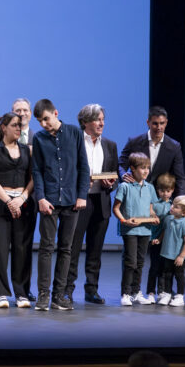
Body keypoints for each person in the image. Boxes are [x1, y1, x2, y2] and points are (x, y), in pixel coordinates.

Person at [31, 99, 89, 311]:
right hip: (49, 202)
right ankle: (43, 295)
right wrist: (40, 197)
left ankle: (59, 295)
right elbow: (36, 170)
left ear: (55, 113)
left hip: (72, 201)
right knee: (46, 248)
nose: (44, 124)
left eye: (46, 119)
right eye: (40, 121)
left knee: (66, 248)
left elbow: (83, 166)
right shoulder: (39, 138)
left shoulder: (74, 133)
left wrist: (82, 195)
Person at [65, 104, 118, 305]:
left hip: (101, 201)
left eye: (103, 119)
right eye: (97, 119)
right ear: (85, 121)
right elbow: (67, 170)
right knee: (73, 248)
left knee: (95, 250)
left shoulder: (110, 145)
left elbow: (115, 175)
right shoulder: (74, 141)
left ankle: (91, 290)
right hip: (79, 201)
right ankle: (67, 290)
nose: (101, 123)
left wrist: (111, 183)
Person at [0, 113, 34, 308]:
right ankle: (0, 293)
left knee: (22, 249)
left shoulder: (27, 151)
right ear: (3, 127)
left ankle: (21, 293)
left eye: (20, 126)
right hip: (0, 204)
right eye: (14, 125)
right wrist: (8, 201)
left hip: (23, 204)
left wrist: (21, 199)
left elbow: (32, 178)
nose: (18, 129)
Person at [114, 152, 159, 306]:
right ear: (132, 168)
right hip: (130, 231)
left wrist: (154, 217)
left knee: (140, 263)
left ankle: (136, 292)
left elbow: (151, 209)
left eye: (147, 168)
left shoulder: (150, 187)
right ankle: (126, 293)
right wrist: (123, 220)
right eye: (142, 168)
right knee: (130, 262)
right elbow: (116, 208)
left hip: (145, 230)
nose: (145, 171)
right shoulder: (124, 186)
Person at [119, 106, 185, 197]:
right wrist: (123, 175)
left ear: (166, 122)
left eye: (162, 123)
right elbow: (120, 165)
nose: (159, 127)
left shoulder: (174, 147)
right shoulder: (134, 142)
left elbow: (180, 178)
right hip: (135, 195)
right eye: (155, 123)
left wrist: (181, 199)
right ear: (148, 123)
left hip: (160, 198)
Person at [12, 98, 37, 301]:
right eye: (17, 110)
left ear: (30, 113)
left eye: (25, 110)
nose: (22, 113)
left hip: (30, 198)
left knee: (25, 246)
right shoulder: (1, 139)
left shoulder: (39, 139)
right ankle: (2, 290)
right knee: (4, 246)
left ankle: (23, 289)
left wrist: (24, 195)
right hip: (7, 200)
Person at [155, 195, 185, 307]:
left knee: (179, 276)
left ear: (184, 213)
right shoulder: (168, 219)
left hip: (179, 257)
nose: (172, 207)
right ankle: (167, 294)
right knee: (167, 275)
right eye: (173, 205)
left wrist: (181, 256)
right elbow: (165, 231)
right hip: (167, 254)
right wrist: (159, 239)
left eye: (176, 207)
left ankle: (179, 296)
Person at [149, 173, 176, 303]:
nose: (165, 193)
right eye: (162, 190)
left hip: (168, 242)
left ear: (172, 190)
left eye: (168, 191)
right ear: (158, 190)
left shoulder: (174, 206)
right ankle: (150, 292)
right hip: (155, 240)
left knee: (166, 268)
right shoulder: (154, 205)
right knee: (154, 266)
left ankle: (164, 291)